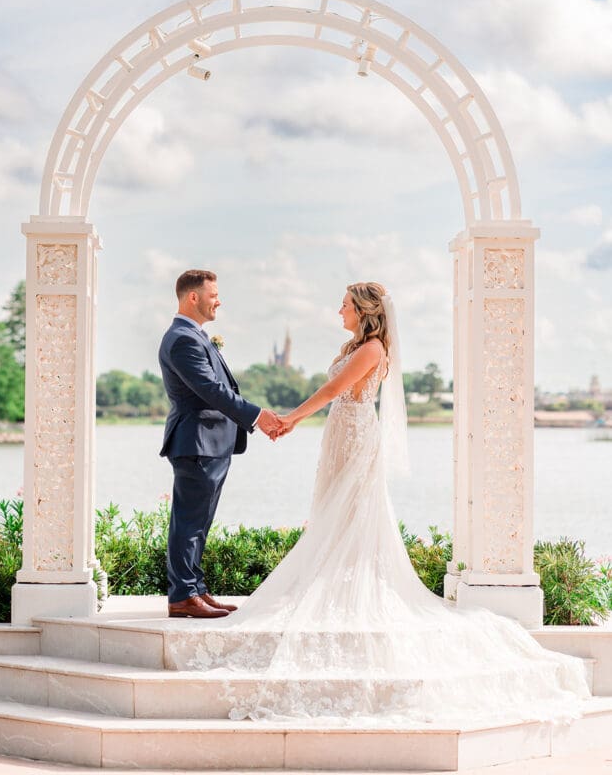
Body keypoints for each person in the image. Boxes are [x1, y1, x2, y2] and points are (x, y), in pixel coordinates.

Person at [166, 282, 590, 728]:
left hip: (354, 436)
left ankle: (338, 589)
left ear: (365, 311)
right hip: (341, 434)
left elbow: (332, 391)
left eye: (345, 305)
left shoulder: (371, 350)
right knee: (335, 513)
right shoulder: (355, 345)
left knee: (353, 514)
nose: (339, 310)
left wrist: (288, 418)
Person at [159, 269, 282, 619]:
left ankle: (194, 588)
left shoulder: (193, 335)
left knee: (199, 521)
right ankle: (182, 595)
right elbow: (210, 391)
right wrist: (258, 416)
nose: (219, 300)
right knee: (189, 521)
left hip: (210, 442)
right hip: (197, 441)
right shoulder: (183, 339)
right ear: (193, 297)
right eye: (213, 294)